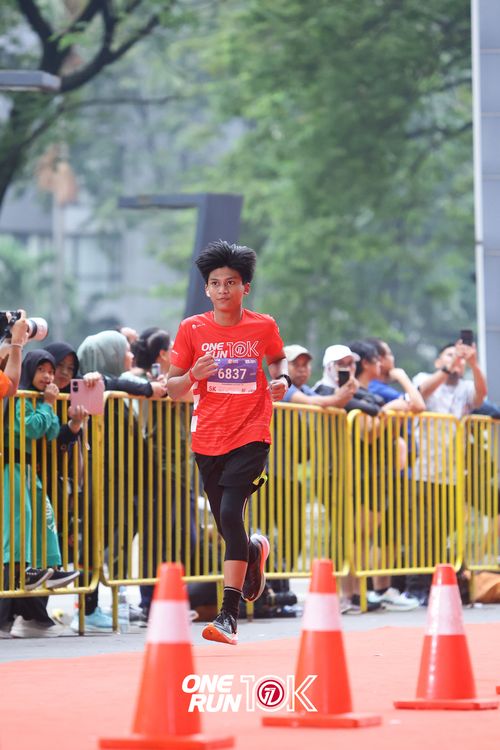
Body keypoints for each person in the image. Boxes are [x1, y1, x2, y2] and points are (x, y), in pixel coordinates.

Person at [167, 239, 290, 645]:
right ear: (206, 289)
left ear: (245, 288)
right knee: (226, 524)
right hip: (208, 438)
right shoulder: (192, 329)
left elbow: (277, 358)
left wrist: (282, 379)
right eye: (216, 283)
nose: (223, 290)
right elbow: (172, 387)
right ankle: (252, 552)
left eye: (231, 282)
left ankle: (228, 616)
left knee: (232, 511)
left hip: (252, 433)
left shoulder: (263, 326)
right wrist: (193, 375)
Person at [1, 350, 80, 638]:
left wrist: (59, 413)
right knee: (19, 522)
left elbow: (50, 433)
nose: (48, 376)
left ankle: (47, 567)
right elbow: (31, 428)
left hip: (27, 469)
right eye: (41, 370)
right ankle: (22, 572)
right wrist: (47, 405)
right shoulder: (19, 396)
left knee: (45, 516)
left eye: (50, 371)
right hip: (11, 466)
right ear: (28, 370)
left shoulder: (35, 399)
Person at [406, 338, 487, 604]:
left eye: (459, 356)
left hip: (453, 476)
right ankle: (416, 587)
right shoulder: (425, 378)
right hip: (424, 472)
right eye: (450, 355)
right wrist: (448, 368)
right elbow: (421, 392)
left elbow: (481, 396)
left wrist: (473, 364)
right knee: (422, 531)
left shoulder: (465, 387)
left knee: (444, 531)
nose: (456, 360)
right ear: (438, 361)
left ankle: (438, 585)